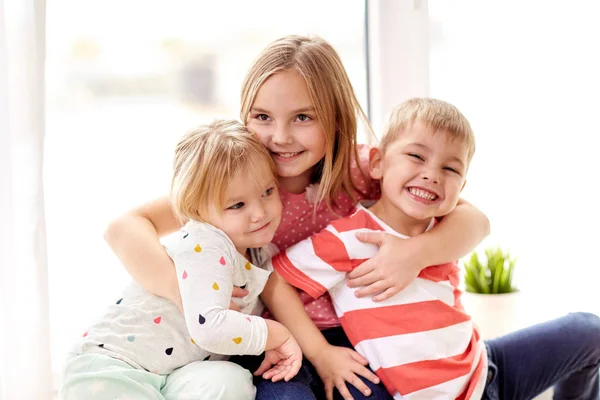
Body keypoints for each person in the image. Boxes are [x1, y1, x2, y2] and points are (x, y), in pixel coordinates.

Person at [104, 35, 491, 400]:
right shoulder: (235, 183)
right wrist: (186, 292)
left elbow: (474, 220)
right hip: (270, 341)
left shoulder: (359, 169)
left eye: (303, 117)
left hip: (356, 338)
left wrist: (418, 253)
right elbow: (124, 227)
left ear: (336, 119)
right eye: (262, 117)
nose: (281, 136)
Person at [269, 98, 600, 400]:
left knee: (589, 330)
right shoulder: (352, 236)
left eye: (450, 168)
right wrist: (321, 355)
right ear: (378, 163)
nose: (431, 175)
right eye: (416, 156)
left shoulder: (445, 227)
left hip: (486, 373)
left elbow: (480, 223)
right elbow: (275, 282)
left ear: (462, 186)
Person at [59, 120, 302, 400]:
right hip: (114, 367)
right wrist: (277, 334)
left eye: (268, 192)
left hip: (172, 374)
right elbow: (210, 327)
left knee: (232, 380)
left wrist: (257, 342)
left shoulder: (258, 252)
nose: (260, 212)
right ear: (195, 210)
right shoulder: (207, 241)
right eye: (237, 205)